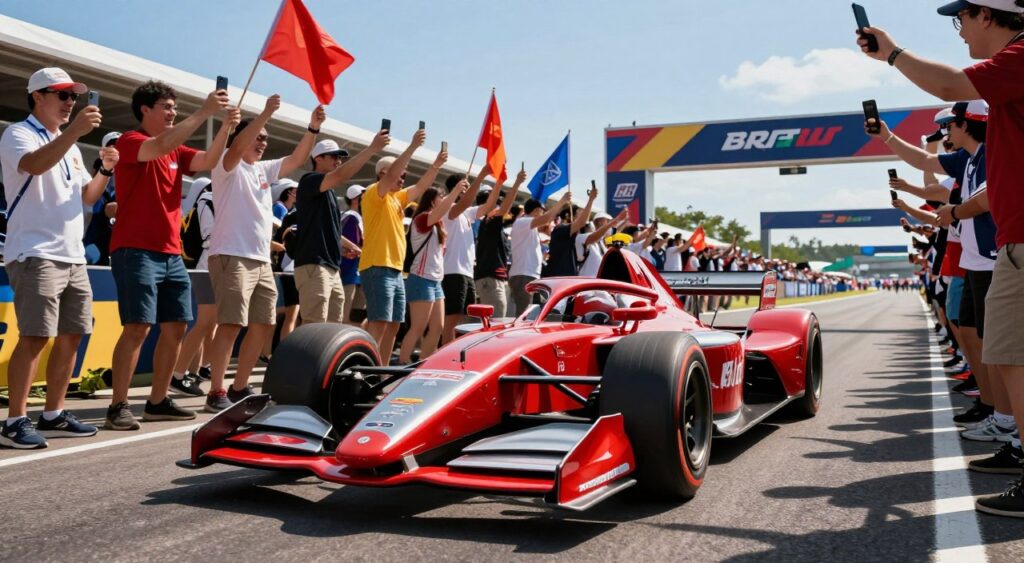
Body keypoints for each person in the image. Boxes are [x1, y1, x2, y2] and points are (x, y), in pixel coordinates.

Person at [857, 0, 1024, 516]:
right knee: (1006, 354)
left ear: (988, 16)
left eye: (962, 19)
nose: (961, 32)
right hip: (1010, 245)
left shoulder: (1018, 58)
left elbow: (953, 84)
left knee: (1012, 357)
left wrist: (892, 54)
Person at [104, 80, 235, 430]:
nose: (172, 111)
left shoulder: (177, 150)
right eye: (166, 106)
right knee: (137, 328)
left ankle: (157, 401)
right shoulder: (129, 141)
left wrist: (224, 126)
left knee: (176, 326)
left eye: (175, 107)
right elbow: (158, 145)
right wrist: (205, 112)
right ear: (145, 110)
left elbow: (208, 160)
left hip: (170, 254)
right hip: (135, 250)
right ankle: (118, 405)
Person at [0, 68, 116, 448]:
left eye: (73, 96)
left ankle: (52, 413)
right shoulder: (18, 133)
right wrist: (75, 133)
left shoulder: (68, 145)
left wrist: (104, 168)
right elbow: (33, 165)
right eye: (63, 95)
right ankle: (15, 420)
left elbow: (88, 197)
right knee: (35, 336)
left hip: (72, 254)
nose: (70, 102)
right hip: (34, 250)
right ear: (38, 96)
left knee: (73, 333)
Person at [203, 97, 326, 411]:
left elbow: (298, 158)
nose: (262, 142)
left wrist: (313, 128)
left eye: (266, 139)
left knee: (264, 323)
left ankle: (239, 386)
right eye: (257, 137)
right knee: (231, 323)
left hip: (260, 261)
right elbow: (234, 149)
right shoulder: (225, 164)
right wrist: (265, 114)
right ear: (241, 137)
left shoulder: (263, 170)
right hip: (232, 255)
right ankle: (216, 390)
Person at [360, 129, 445, 364]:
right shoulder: (373, 194)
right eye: (400, 175)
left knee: (394, 326)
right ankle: (363, 371)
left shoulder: (398, 199)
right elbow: (393, 176)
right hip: (377, 266)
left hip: (396, 271)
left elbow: (422, 186)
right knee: (379, 324)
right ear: (384, 173)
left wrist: (436, 166)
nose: (402, 179)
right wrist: (412, 147)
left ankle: (382, 372)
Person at [294, 134, 388, 325]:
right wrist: (371, 149)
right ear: (318, 158)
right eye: (333, 156)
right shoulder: (309, 179)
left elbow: (334, 232)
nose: (338, 161)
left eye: (340, 157)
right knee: (314, 323)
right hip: (314, 263)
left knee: (333, 324)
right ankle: (305, 356)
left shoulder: (328, 192)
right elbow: (342, 175)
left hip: (331, 266)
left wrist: (347, 247)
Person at [397, 182, 468, 364]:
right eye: (441, 197)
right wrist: (456, 191)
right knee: (418, 327)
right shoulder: (422, 218)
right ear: (432, 199)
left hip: (435, 280)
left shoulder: (438, 222)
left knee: (438, 327)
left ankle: (424, 361)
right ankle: (402, 363)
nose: (443, 200)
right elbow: (439, 212)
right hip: (421, 278)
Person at [440, 165, 499, 344]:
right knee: (451, 320)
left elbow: (489, 206)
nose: (466, 191)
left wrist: (499, 182)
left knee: (464, 319)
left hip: (466, 273)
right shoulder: (448, 208)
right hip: (452, 272)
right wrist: (481, 175)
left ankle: (454, 353)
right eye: (464, 187)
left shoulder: (467, 214)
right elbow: (465, 202)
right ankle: (445, 358)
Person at [169, 177, 215, 398]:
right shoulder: (208, 198)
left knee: (209, 324)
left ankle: (191, 373)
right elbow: (210, 236)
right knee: (205, 322)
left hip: (215, 266)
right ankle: (177, 374)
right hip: (206, 267)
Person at [509, 192, 572, 315]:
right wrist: (562, 201)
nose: (543, 214)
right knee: (524, 317)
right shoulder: (524, 222)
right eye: (542, 211)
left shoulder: (527, 226)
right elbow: (547, 218)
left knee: (529, 316)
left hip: (527, 275)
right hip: (524, 275)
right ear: (537, 210)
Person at [474, 171, 526, 318]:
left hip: (497, 278)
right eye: (497, 201)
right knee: (495, 322)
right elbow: (504, 208)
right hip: (490, 278)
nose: (501, 205)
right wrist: (516, 183)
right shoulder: (489, 219)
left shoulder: (492, 223)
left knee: (498, 320)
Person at [82, 131, 121, 265]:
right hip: (94, 244)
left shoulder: (129, 172)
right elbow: (102, 208)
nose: (117, 148)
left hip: (115, 244)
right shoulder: (101, 165)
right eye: (113, 145)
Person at [576, 208, 629, 278]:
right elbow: (597, 235)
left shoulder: (600, 239)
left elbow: (615, 230)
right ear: (599, 221)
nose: (608, 222)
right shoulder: (582, 238)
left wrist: (624, 221)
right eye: (607, 220)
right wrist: (617, 219)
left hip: (597, 281)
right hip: (587, 281)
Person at [341, 184, 366, 326]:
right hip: (349, 272)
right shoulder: (351, 217)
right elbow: (349, 246)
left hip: (356, 272)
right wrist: (359, 250)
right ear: (356, 199)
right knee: (346, 315)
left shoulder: (356, 218)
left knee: (356, 316)